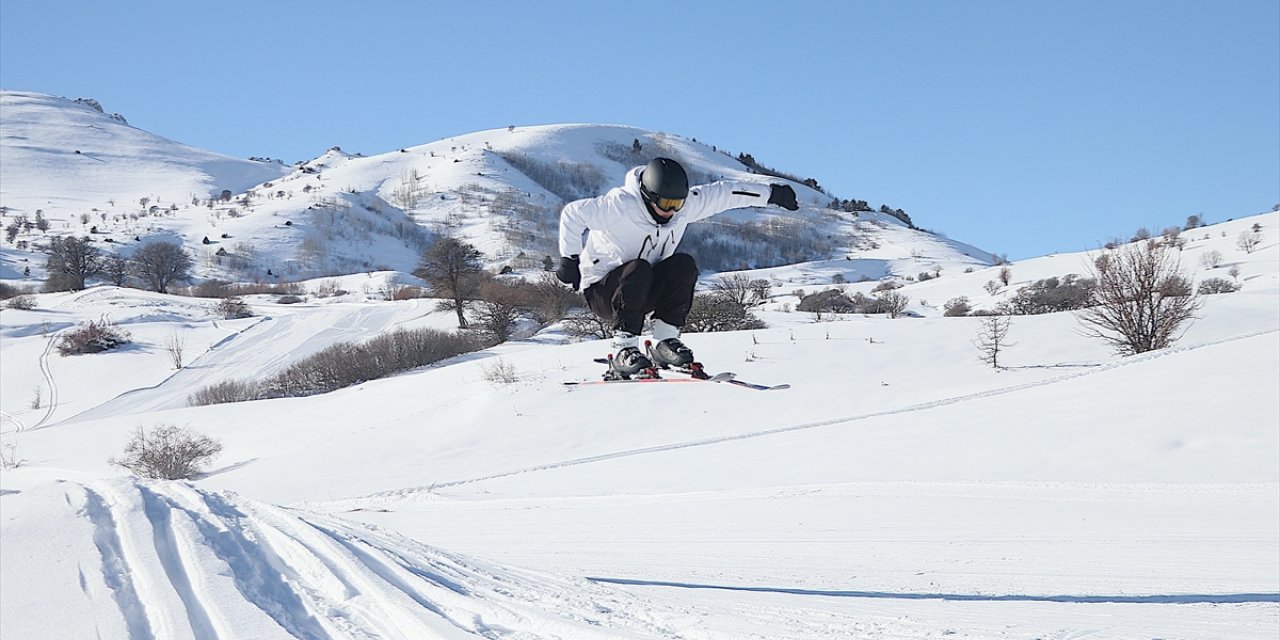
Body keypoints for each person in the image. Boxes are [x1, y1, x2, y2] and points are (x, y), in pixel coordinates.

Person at [556, 157, 799, 377]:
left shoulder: (683, 208)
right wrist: (570, 260)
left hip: (642, 292)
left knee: (684, 264)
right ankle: (624, 350)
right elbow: (572, 214)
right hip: (604, 293)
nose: (672, 210)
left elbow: (725, 193)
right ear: (648, 195)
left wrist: (771, 194)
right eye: (666, 202)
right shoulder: (620, 206)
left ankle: (665, 343)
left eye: (677, 204)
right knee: (638, 268)